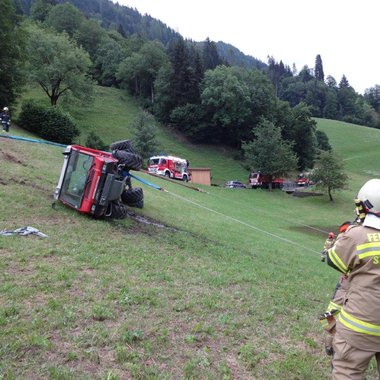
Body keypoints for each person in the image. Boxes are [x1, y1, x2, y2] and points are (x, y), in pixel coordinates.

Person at [325, 179, 380, 379]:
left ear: (366, 206)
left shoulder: (356, 235)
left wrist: (346, 234)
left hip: (359, 327)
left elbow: (332, 259)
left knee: (348, 373)